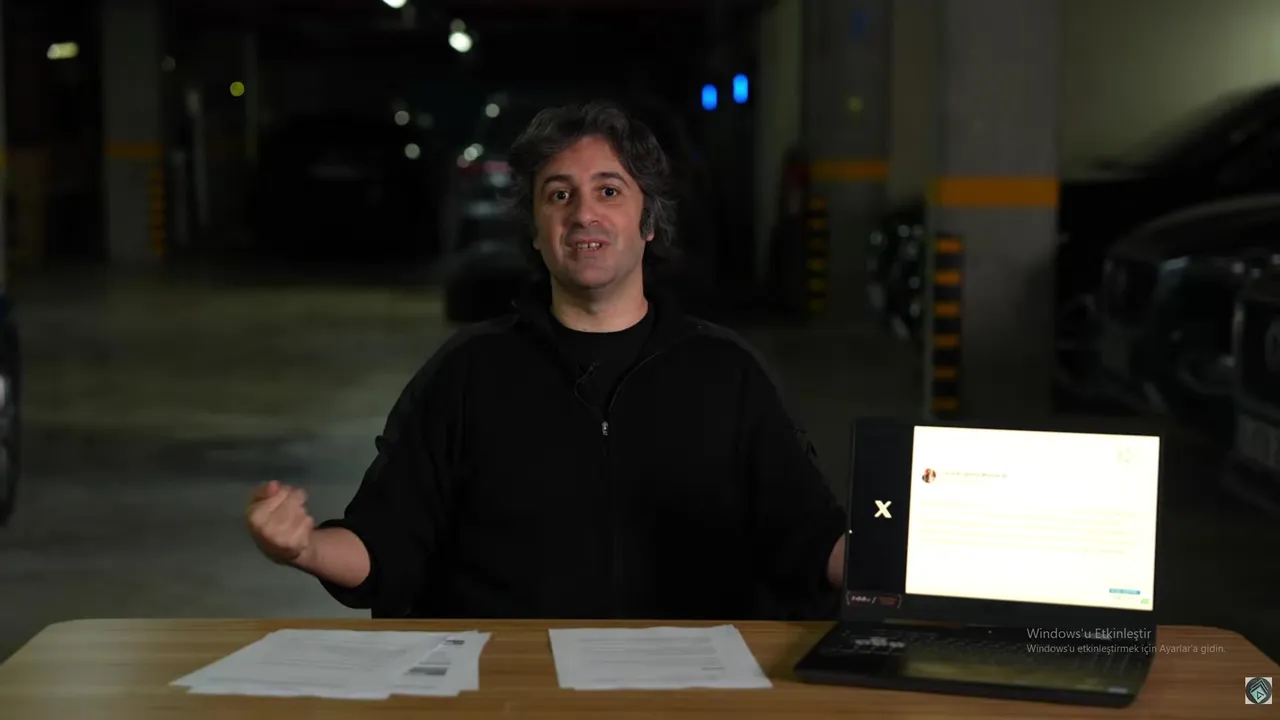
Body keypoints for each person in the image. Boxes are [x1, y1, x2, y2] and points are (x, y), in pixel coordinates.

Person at [245, 100, 848, 620]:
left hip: (684, 685)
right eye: (559, 194)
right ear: (536, 231)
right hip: (508, 683)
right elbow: (385, 544)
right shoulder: (467, 373)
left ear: (648, 222)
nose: (584, 214)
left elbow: (808, 538)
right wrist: (304, 547)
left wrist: (888, 551)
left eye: (609, 191)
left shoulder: (727, 373)